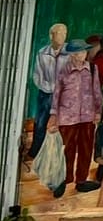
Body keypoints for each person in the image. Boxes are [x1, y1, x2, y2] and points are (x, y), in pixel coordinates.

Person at [47, 39, 102, 197]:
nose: (83, 54)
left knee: (85, 149)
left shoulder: (92, 68)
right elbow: (56, 94)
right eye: (79, 52)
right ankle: (64, 180)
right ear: (71, 54)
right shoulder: (63, 70)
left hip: (87, 116)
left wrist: (98, 111)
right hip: (67, 117)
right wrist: (54, 115)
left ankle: (81, 181)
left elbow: (96, 91)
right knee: (66, 150)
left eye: (84, 51)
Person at [29, 22, 67, 159]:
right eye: (59, 33)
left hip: (64, 95)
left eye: (64, 33)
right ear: (51, 35)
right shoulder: (42, 52)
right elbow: (37, 76)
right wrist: (51, 88)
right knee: (40, 123)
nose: (63, 36)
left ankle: (57, 154)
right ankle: (36, 151)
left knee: (62, 123)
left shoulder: (69, 52)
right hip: (46, 93)